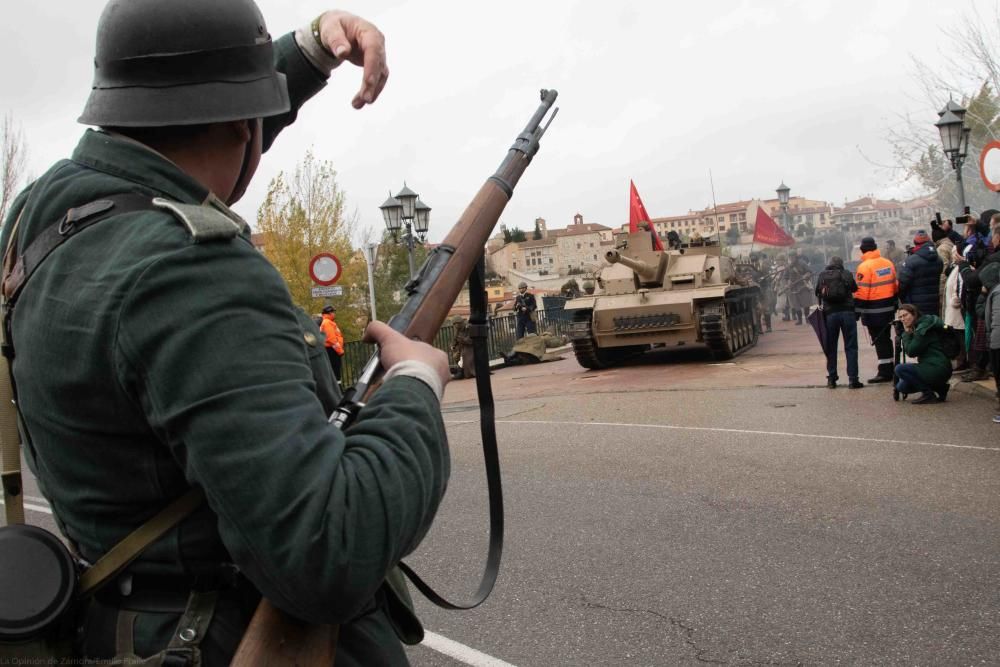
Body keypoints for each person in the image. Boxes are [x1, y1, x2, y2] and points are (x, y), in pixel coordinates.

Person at [0, 2, 450, 664]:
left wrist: (311, 50)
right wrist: (414, 382)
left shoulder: (38, 219)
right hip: (223, 635)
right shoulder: (192, 269)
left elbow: (191, 120)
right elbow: (326, 550)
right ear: (245, 122)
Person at [854, 237, 899, 383]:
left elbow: (862, 291)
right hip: (889, 307)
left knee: (879, 340)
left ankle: (885, 372)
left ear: (862, 250)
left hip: (873, 310)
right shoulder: (888, 263)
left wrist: (857, 311)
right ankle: (891, 368)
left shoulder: (864, 267)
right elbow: (895, 285)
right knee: (886, 338)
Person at [815, 257, 862, 389]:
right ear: (841, 264)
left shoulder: (822, 275)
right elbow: (854, 288)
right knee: (851, 346)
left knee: (831, 347)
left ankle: (831, 378)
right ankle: (853, 380)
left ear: (829, 264)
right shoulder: (846, 273)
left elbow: (817, 292)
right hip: (847, 313)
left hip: (830, 315)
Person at [892, 304, 953, 404]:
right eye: (900, 317)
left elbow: (911, 351)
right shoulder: (920, 325)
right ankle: (940, 387)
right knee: (901, 386)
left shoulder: (923, 328)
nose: (903, 319)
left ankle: (928, 394)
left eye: (905, 315)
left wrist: (906, 333)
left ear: (914, 314)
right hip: (933, 367)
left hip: (937, 367)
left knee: (900, 369)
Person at [898, 229, 944, 319]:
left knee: (919, 328)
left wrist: (904, 301)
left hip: (916, 305)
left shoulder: (911, 261)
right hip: (934, 302)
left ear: (915, 242)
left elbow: (902, 285)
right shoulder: (938, 259)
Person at [784, 251, 814, 325]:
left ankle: (807, 318)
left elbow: (810, 272)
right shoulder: (788, 266)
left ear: (796, 257)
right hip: (793, 288)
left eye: (792, 256)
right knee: (796, 304)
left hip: (803, 286)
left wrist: (806, 275)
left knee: (806, 303)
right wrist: (788, 282)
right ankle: (799, 320)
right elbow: (785, 276)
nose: (791, 258)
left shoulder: (802, 263)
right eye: (790, 257)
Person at [319, 304, 345, 382]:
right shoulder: (327, 323)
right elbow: (331, 339)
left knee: (335, 371)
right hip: (332, 350)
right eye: (334, 312)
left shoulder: (328, 322)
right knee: (335, 371)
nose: (334, 314)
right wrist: (340, 351)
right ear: (330, 313)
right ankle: (338, 390)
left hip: (332, 350)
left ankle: (338, 388)